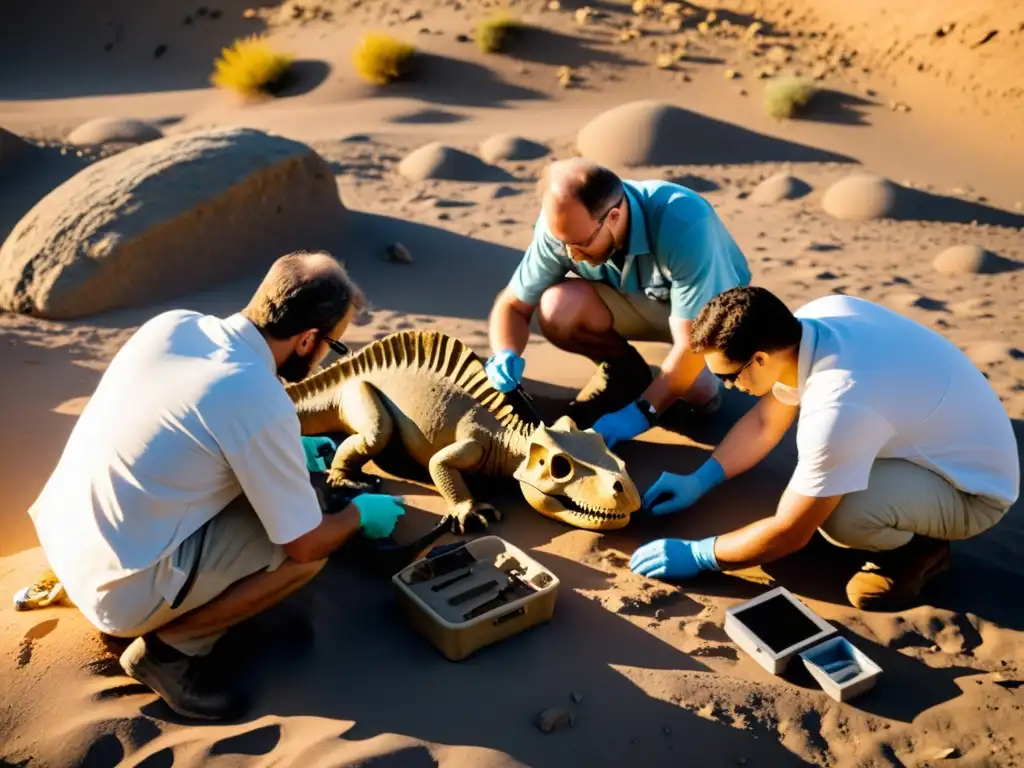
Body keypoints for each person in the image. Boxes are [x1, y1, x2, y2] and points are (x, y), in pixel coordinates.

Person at [26, 251, 407, 721]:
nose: (329, 353)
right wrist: (360, 515)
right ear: (308, 340)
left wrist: (293, 451)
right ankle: (171, 653)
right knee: (303, 550)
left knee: (292, 497)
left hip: (65, 538)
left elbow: (184, 434)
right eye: (334, 344)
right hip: (115, 594)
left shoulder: (172, 326)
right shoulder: (257, 395)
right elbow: (305, 544)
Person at [629, 286, 1020, 611]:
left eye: (729, 377)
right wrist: (700, 480)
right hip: (950, 437)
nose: (728, 387)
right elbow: (767, 421)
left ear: (761, 358)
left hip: (974, 490)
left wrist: (700, 555)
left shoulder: (840, 405)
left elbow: (790, 532)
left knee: (840, 517)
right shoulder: (816, 320)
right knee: (825, 482)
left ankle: (921, 550)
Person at [484, 158, 751, 446]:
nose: (571, 255)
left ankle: (653, 392)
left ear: (613, 217)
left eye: (580, 244)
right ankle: (625, 372)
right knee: (557, 306)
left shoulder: (684, 221)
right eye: (563, 244)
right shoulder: (564, 230)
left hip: (706, 317)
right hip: (630, 301)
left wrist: (640, 415)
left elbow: (692, 344)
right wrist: (505, 353)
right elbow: (512, 304)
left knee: (698, 393)